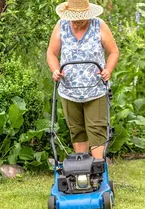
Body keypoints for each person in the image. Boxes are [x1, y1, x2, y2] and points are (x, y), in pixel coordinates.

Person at [47, 0, 119, 159]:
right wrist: (55, 70)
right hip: (69, 90)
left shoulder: (99, 25)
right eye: (75, 17)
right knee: (77, 130)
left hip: (95, 90)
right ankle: (82, 168)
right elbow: (51, 53)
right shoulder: (62, 25)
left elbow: (113, 52)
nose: (78, 20)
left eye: (81, 17)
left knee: (96, 129)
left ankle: (98, 169)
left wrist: (108, 70)